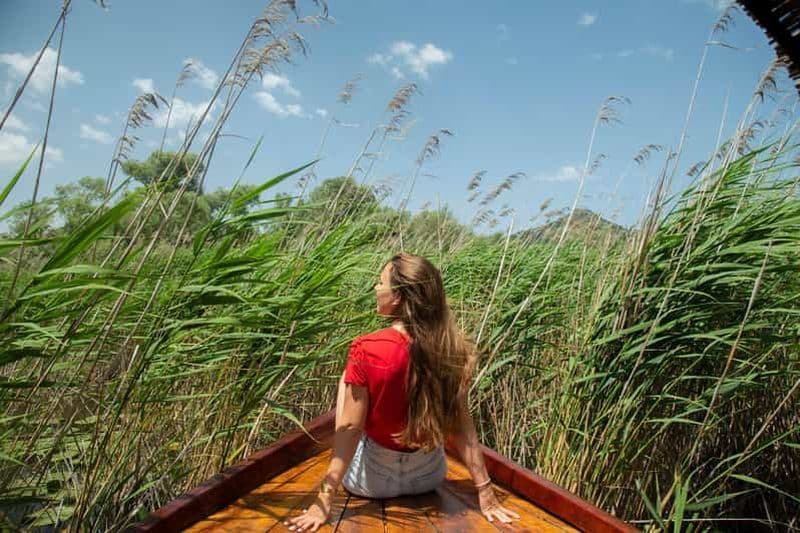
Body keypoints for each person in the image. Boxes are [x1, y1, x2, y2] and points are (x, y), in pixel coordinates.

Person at [285, 253, 520, 531]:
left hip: (371, 482)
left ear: (398, 296)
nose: (376, 288)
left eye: (380, 282)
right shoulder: (451, 351)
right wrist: (485, 491)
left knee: (349, 379)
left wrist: (323, 499)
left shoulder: (367, 348)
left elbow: (350, 426)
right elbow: (462, 428)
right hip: (428, 477)